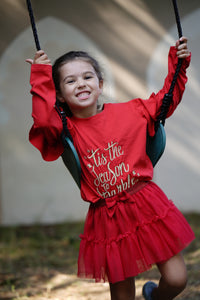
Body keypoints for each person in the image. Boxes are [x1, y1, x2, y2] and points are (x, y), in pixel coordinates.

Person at [26, 36, 195, 300]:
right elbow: (43, 122)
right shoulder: (65, 130)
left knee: (177, 280)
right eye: (70, 81)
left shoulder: (132, 111)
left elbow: (166, 100)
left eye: (87, 77)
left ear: (100, 83)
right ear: (58, 93)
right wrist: (40, 77)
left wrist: (179, 64)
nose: (80, 83)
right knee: (122, 295)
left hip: (147, 204)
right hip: (108, 217)